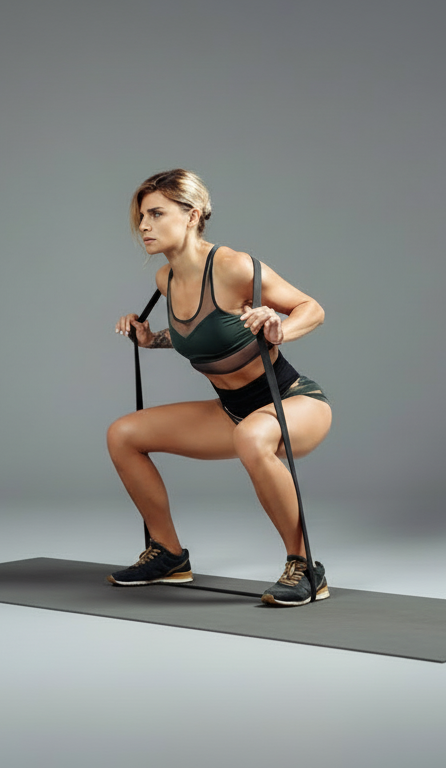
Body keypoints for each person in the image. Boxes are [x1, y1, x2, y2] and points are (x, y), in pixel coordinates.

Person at [107, 169, 333, 606]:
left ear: (191, 215)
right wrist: (151, 340)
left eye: (156, 213)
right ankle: (169, 555)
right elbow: (203, 337)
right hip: (231, 410)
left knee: (251, 436)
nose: (144, 226)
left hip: (292, 401)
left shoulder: (233, 266)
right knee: (123, 434)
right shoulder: (165, 280)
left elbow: (313, 308)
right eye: (141, 217)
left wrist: (280, 329)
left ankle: (305, 567)